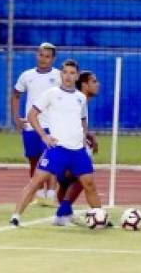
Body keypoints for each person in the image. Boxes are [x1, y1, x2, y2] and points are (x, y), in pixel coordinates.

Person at [9, 59, 102, 227]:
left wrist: (84, 137)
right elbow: (31, 115)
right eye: (65, 72)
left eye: (72, 73)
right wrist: (44, 136)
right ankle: (16, 216)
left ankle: (101, 216)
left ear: (77, 76)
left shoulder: (80, 98)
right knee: (36, 181)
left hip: (77, 151)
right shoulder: (51, 94)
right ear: (61, 74)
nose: (68, 76)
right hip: (57, 149)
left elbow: (82, 121)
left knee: (89, 184)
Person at [12, 42, 60, 204]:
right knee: (34, 159)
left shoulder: (59, 76)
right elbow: (16, 95)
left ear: (53, 59)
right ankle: (38, 193)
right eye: (41, 55)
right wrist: (16, 117)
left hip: (51, 126)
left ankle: (52, 193)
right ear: (36, 55)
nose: (43, 59)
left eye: (47, 56)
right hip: (31, 126)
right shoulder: (27, 75)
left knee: (51, 159)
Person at [53, 70, 100, 225]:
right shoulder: (77, 98)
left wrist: (89, 135)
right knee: (82, 177)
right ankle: (63, 212)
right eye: (94, 81)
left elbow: (80, 124)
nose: (97, 84)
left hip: (68, 143)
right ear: (84, 85)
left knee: (67, 181)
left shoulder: (80, 100)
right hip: (68, 145)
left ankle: (63, 213)